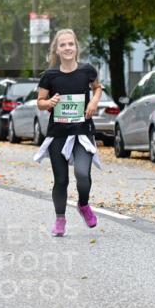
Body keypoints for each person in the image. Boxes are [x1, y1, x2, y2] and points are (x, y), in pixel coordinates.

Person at [33, 29, 103, 237]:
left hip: (82, 131)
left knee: (82, 174)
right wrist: (49, 103)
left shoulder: (87, 70)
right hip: (58, 133)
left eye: (71, 44)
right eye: (63, 45)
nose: (67, 48)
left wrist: (93, 101)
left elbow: (98, 88)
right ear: (57, 49)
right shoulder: (50, 76)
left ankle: (83, 205)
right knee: (61, 179)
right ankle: (60, 219)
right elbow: (40, 103)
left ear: (76, 47)